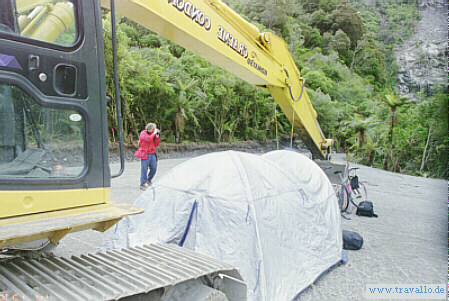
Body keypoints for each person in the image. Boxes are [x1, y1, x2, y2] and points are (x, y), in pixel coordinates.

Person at [135, 123, 160, 190]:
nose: (155, 130)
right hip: (145, 153)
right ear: (150, 129)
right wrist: (154, 134)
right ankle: (142, 184)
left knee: (154, 168)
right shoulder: (143, 133)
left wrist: (157, 137)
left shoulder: (153, 135)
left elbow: (156, 144)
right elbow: (148, 139)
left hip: (152, 153)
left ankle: (149, 179)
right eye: (154, 129)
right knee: (144, 169)